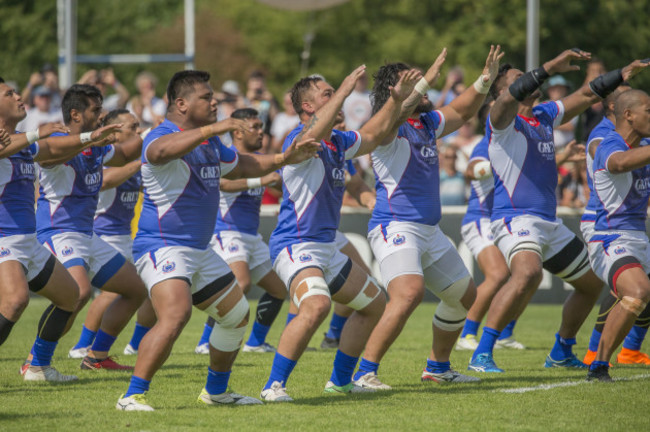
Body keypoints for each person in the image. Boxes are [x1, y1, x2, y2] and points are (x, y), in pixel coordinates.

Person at [115, 70, 320, 411]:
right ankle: (131, 396)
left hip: (199, 250)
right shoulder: (160, 134)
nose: (214, 103)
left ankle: (217, 392)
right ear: (181, 103)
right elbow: (159, 153)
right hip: (161, 246)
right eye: (206, 98)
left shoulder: (208, 142)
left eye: (214, 97)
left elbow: (240, 165)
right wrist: (213, 129)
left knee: (237, 314)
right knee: (176, 314)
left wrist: (285, 158)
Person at [467, 50, 648, 373]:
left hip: (548, 223)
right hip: (514, 218)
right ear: (501, 92)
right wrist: (548, 67)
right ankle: (481, 352)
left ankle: (562, 350)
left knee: (591, 284)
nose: (525, 80)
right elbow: (512, 95)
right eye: (516, 78)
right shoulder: (501, 119)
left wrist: (621, 74)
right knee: (527, 273)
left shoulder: (544, 115)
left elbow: (584, 94)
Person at [259, 65, 421, 402]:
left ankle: (340, 381)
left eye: (337, 91)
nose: (338, 96)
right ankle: (274, 386)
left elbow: (375, 134)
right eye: (328, 93)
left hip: (326, 247)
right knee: (316, 306)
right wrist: (347, 86)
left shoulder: (339, 143)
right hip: (295, 245)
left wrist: (395, 100)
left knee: (375, 304)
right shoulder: (299, 138)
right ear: (308, 107)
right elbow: (315, 134)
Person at [351, 46, 502, 389]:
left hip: (428, 230)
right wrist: (415, 89)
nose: (427, 91)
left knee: (464, 297)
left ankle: (438, 367)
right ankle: (364, 373)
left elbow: (463, 112)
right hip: (395, 226)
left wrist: (484, 80)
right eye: (418, 85)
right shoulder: (386, 127)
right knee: (408, 294)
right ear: (399, 91)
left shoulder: (426, 122)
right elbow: (386, 123)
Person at [0, 77, 123, 381]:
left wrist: (91, 138)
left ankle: (38, 367)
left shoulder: (21, 141)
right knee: (16, 301)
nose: (18, 96)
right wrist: (35, 132)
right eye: (9, 93)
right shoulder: (17, 139)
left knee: (71, 297)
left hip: (27, 241)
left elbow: (53, 146)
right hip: (3, 238)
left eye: (16, 91)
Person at [27, 84, 147, 372]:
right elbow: (47, 157)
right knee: (78, 292)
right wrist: (89, 139)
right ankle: (36, 361)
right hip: (57, 232)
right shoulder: (56, 139)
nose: (101, 115)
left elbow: (125, 154)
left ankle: (97, 356)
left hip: (87, 236)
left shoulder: (97, 147)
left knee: (136, 289)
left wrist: (165, 135)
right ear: (75, 114)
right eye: (95, 110)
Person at [193, 107, 286, 355]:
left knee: (279, 288)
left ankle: (255, 342)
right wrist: (262, 180)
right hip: (227, 233)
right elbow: (223, 183)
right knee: (240, 283)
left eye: (261, 128)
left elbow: (275, 189)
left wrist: (279, 188)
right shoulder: (227, 156)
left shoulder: (260, 161)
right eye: (254, 127)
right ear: (237, 132)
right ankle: (205, 341)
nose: (260, 133)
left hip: (251, 237)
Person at [66, 109, 155, 358]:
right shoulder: (101, 155)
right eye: (132, 127)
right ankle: (82, 346)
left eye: (139, 127)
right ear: (114, 131)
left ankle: (134, 346)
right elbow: (105, 181)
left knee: (152, 288)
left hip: (124, 236)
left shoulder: (132, 161)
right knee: (113, 292)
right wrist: (140, 162)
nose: (137, 131)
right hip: (102, 234)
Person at [579, 84, 650, 366]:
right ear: (629, 115)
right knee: (637, 293)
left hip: (638, 238)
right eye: (649, 111)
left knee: (637, 295)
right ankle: (598, 363)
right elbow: (619, 164)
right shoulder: (610, 143)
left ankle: (621, 354)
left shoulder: (643, 146)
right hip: (610, 239)